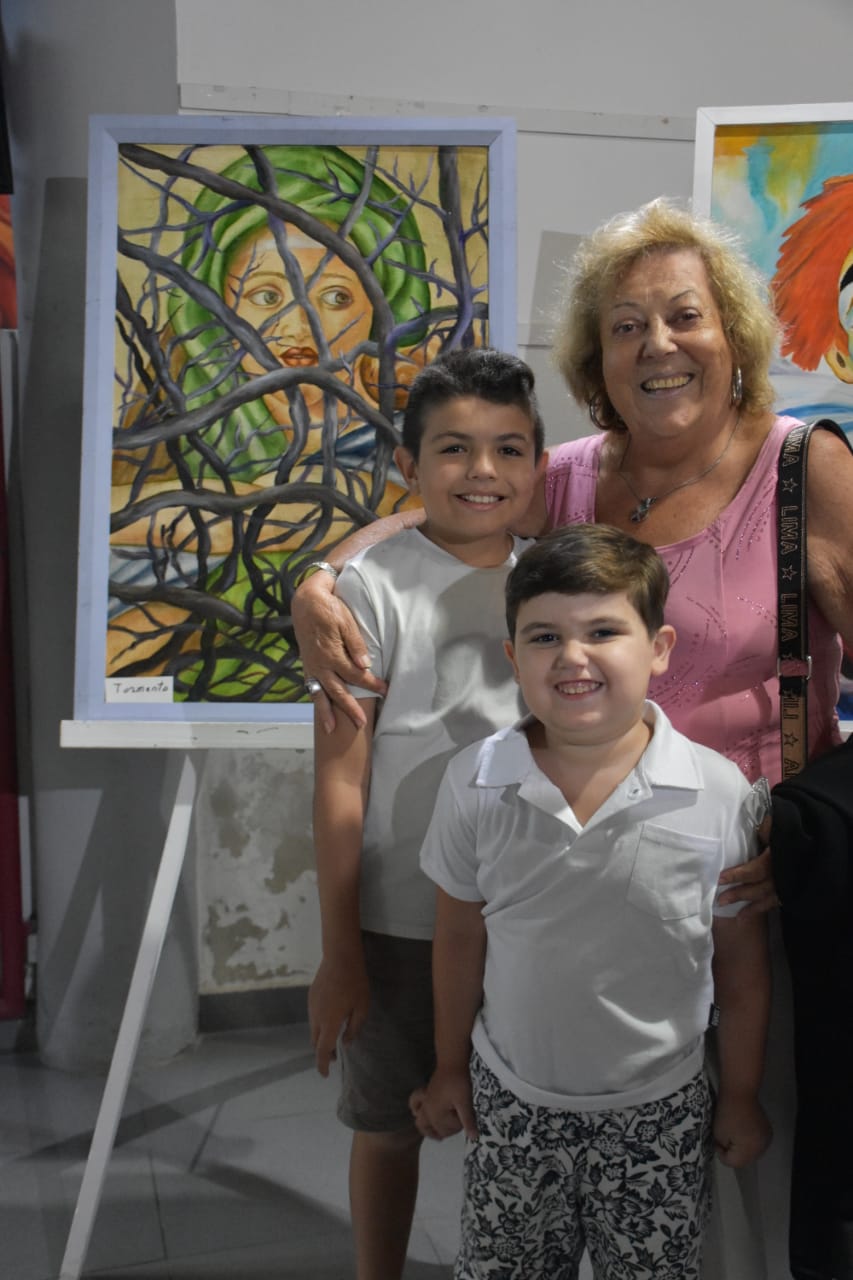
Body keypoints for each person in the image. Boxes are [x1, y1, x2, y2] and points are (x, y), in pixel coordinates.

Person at [293, 197, 853, 1278]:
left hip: (752, 875)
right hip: (584, 871)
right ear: (597, 358)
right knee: (603, 1139)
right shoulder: (571, 475)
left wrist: (813, 824)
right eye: (625, 325)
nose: (657, 345)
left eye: (683, 315)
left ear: (732, 334)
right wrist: (319, 575)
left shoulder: (803, 471)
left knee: (755, 1149)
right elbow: (443, 508)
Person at [411, 523, 771, 1278]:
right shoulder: (474, 781)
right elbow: (458, 940)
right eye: (544, 637)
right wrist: (448, 1067)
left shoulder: (716, 792)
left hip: (661, 1111)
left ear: (659, 648)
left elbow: (739, 967)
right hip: (512, 1104)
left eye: (603, 631)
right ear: (512, 657)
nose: (572, 657)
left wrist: (739, 1094)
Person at [308, 347, 547, 1280]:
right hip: (399, 920)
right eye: (453, 448)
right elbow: (340, 781)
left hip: (524, 915)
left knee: (519, 1122)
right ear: (408, 466)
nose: (483, 471)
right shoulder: (368, 588)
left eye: (508, 449)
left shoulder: (551, 583)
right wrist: (340, 951)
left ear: (537, 463)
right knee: (386, 1127)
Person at [108, 143, 467, 699]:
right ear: (216, 306)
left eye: (336, 296)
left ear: (383, 308)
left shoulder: (415, 445)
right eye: (265, 294)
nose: (299, 324)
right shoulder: (176, 431)